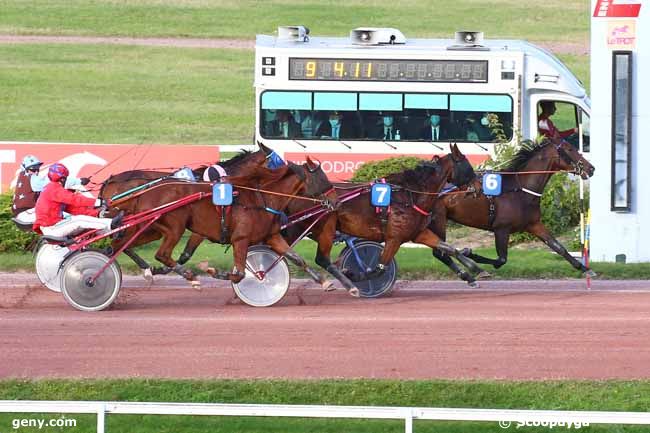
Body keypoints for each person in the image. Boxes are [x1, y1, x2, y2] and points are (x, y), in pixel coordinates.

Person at [33, 163, 122, 238]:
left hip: (53, 227)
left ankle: (112, 231)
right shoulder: (54, 189)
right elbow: (75, 199)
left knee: (80, 220)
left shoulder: (53, 189)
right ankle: (111, 224)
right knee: (78, 220)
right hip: (51, 228)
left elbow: (75, 210)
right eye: (66, 178)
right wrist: (99, 202)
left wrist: (96, 213)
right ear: (63, 178)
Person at [11, 155, 90, 226]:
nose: (36, 171)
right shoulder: (33, 179)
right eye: (33, 169)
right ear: (25, 169)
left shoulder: (23, 175)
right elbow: (52, 183)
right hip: (27, 214)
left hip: (23, 213)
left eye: (37, 168)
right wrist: (79, 181)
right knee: (70, 218)